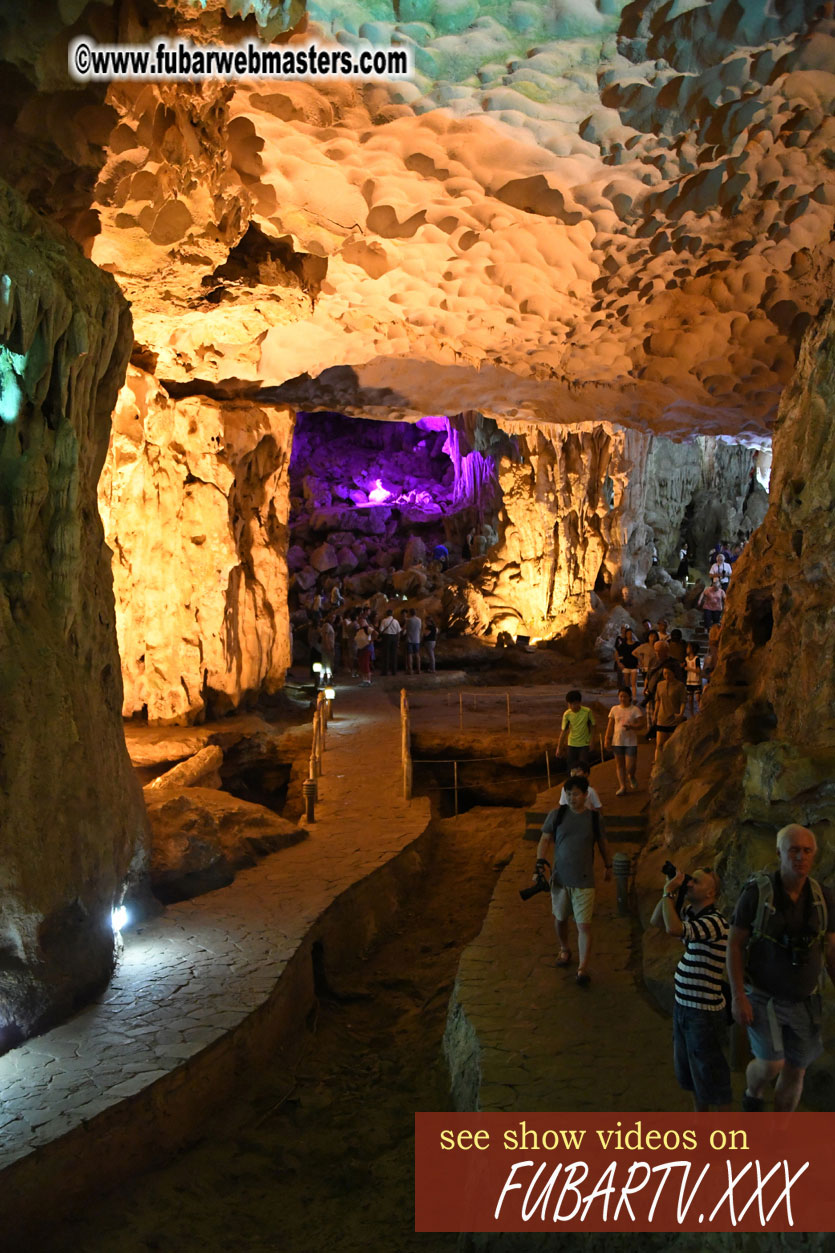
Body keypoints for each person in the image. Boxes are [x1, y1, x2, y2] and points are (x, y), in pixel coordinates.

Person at [727, 825, 835, 1112]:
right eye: (794, 850)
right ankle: (753, 1092)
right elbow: (735, 945)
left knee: (796, 1068)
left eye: (807, 851)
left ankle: (779, 1132)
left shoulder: (822, 898)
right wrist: (739, 996)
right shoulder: (758, 894)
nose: (800, 857)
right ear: (779, 854)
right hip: (764, 996)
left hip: (805, 999)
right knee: (772, 1063)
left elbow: (832, 948)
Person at [651, 866, 732, 1112]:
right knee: (692, 1079)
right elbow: (658, 920)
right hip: (685, 1009)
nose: (690, 884)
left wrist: (668, 892)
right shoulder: (691, 914)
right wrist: (671, 892)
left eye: (696, 882)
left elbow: (673, 929)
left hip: (704, 1014)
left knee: (712, 1081)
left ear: (711, 891)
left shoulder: (715, 922)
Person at [535, 776, 612, 986]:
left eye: (576, 794)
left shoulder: (594, 819)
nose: (571, 798)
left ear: (586, 795)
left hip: (584, 881)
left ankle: (582, 969)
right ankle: (564, 948)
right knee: (560, 918)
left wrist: (608, 865)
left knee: (583, 926)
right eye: (568, 794)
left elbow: (603, 843)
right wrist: (539, 863)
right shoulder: (557, 815)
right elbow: (544, 839)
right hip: (560, 879)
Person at [603, 688, 645, 794]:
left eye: (625, 696)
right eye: (621, 696)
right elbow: (610, 725)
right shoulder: (614, 709)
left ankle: (631, 775)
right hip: (617, 741)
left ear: (630, 697)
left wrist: (632, 726)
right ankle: (622, 786)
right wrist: (607, 738)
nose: (623, 698)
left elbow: (641, 725)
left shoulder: (635, 710)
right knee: (619, 764)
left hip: (631, 741)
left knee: (630, 765)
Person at [652, 660, 687, 761]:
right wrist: (655, 714)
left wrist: (681, 713)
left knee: (674, 744)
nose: (666, 676)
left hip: (674, 718)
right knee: (659, 744)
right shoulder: (660, 685)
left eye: (669, 673)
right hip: (662, 718)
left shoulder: (680, 686)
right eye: (665, 673)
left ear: (674, 673)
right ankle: (658, 763)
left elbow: (683, 701)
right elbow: (658, 700)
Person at [557, 690, 595, 770]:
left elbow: (592, 726)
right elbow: (563, 731)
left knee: (583, 766)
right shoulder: (567, 714)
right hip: (572, 744)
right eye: (569, 704)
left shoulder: (587, 712)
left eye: (573, 704)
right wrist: (559, 748)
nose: (571, 706)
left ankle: (583, 782)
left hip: (584, 744)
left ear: (579, 702)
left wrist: (592, 741)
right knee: (571, 767)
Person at [615, 627, 639, 698]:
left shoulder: (637, 644)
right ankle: (629, 697)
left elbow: (641, 652)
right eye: (628, 634)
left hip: (634, 665)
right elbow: (616, 653)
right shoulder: (623, 645)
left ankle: (634, 698)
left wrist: (641, 662)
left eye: (631, 633)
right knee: (627, 684)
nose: (629, 635)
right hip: (626, 666)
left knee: (634, 683)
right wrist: (619, 663)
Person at [378, 607, 401, 676]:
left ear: (386, 614)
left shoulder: (384, 620)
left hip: (386, 638)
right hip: (394, 637)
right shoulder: (396, 621)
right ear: (392, 614)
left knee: (386, 655)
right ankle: (394, 671)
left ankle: (385, 671)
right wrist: (398, 641)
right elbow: (398, 632)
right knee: (394, 655)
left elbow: (381, 630)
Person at [684, 641, 702, 715]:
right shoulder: (686, 659)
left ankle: (701, 712)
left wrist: (689, 669)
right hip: (689, 681)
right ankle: (692, 714)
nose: (687, 649)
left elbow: (698, 670)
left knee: (698, 698)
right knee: (690, 699)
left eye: (688, 647)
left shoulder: (696, 659)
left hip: (696, 680)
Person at [405, 608, 423, 675]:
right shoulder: (419, 620)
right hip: (417, 639)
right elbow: (420, 629)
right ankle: (418, 669)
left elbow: (405, 628)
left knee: (409, 655)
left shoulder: (408, 620)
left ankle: (410, 670)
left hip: (409, 639)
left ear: (410, 613)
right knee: (417, 654)